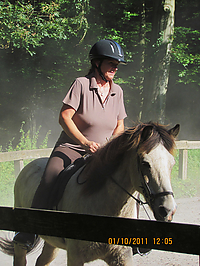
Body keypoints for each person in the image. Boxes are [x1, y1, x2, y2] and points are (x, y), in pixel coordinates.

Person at [13, 39, 127, 249]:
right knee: (50, 177)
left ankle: (133, 238)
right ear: (97, 63)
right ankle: (29, 231)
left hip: (104, 152)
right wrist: (85, 143)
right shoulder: (81, 84)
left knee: (127, 180)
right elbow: (64, 117)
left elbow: (120, 125)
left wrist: (111, 144)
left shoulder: (117, 91)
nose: (115, 66)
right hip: (72, 148)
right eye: (111, 62)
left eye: (117, 63)